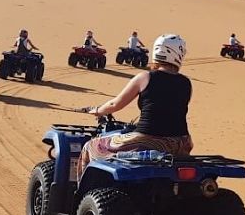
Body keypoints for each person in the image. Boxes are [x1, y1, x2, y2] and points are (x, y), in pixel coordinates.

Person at [77, 34, 192, 179]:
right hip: (181, 143)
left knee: (91, 146)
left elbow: (115, 104)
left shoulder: (145, 77)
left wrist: (97, 110)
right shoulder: (187, 83)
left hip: (148, 140)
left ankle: (80, 196)